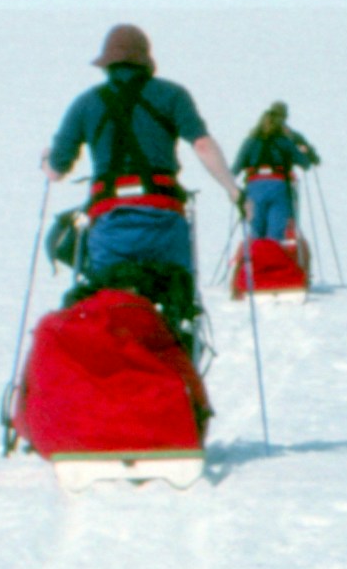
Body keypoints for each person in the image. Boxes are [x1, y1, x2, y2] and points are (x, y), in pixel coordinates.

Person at [45, 24, 237, 350]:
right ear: (146, 61)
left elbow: (56, 171)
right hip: (164, 222)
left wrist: (49, 161)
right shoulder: (172, 95)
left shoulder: (85, 104)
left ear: (107, 64)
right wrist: (234, 191)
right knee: (175, 305)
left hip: (110, 224)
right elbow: (202, 145)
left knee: (110, 311)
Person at [233, 99, 320, 259]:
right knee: (276, 231)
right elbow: (306, 163)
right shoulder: (287, 139)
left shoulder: (250, 141)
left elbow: (235, 169)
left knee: (256, 231)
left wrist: (234, 192)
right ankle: (274, 267)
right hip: (279, 188)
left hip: (254, 187)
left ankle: (255, 269)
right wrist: (308, 152)